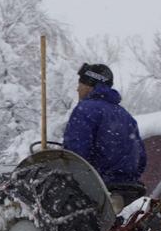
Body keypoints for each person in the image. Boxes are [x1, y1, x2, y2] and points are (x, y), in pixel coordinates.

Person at [62, 63, 146, 210]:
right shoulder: (126, 115)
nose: (77, 89)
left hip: (99, 190)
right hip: (129, 191)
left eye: (80, 83)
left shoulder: (85, 109)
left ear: (90, 84)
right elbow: (141, 158)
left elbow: (76, 155)